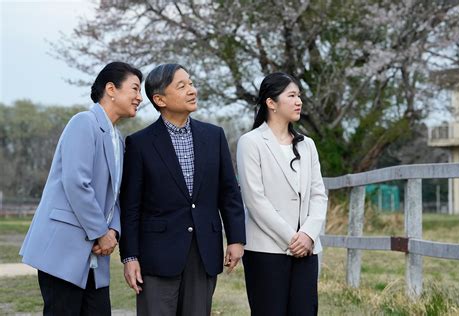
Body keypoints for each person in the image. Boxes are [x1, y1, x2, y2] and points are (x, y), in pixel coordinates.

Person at [119, 63, 246, 316]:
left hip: (204, 251)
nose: (192, 90)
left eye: (191, 83)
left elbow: (229, 193)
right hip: (157, 256)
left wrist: (236, 238)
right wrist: (130, 257)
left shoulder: (214, 136)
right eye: (182, 86)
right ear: (159, 99)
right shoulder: (140, 144)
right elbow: (131, 206)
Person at [19, 61, 143, 315]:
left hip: (96, 256)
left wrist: (114, 232)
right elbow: (77, 183)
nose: (139, 97)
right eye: (134, 89)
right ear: (111, 89)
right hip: (64, 250)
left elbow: (115, 197)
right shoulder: (83, 123)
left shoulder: (117, 139)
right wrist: (101, 232)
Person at [236, 72, 328, 315]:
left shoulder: (307, 144)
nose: (299, 101)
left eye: (299, 96)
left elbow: (319, 194)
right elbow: (255, 200)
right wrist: (292, 238)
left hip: (307, 250)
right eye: (292, 95)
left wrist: (308, 234)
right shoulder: (250, 142)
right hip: (266, 249)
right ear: (271, 102)